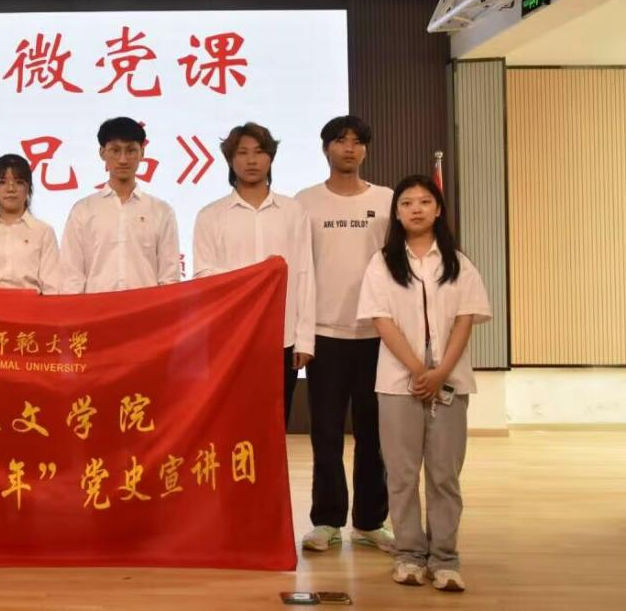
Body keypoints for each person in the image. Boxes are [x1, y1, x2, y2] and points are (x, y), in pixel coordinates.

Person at [356, 175, 491, 593]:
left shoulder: (458, 263)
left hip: (450, 381)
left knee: (444, 475)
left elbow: (466, 320)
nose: (416, 209)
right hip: (398, 383)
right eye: (407, 203)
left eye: (425, 201)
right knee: (401, 474)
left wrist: (440, 372)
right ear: (396, 213)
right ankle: (410, 555)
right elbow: (382, 321)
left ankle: (446, 559)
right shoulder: (382, 263)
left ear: (438, 209)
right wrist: (419, 370)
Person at [295, 116, 394, 553]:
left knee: (374, 435)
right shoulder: (305, 202)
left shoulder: (387, 200)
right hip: (324, 333)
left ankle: (371, 522)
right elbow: (300, 270)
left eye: (357, 142)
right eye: (340, 141)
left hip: (377, 334)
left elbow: (398, 267)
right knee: (327, 434)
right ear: (325, 149)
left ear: (366, 150)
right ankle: (327, 520)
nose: (349, 148)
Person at [193, 122, 314, 425]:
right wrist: (257, 277)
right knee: (231, 422)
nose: (251, 160)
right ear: (230, 159)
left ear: (270, 157)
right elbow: (204, 276)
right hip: (230, 338)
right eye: (242, 152)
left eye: (259, 152)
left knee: (274, 424)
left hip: (282, 336)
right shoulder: (210, 215)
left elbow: (304, 275)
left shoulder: (293, 211)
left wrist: (304, 340)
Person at [59, 117, 180, 294]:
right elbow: (71, 277)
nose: (123, 159)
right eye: (115, 150)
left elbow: (169, 277)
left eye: (131, 150)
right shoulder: (83, 210)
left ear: (142, 153)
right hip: (97, 309)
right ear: (102, 153)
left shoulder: (161, 211)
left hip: (146, 309)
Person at [0, 154, 59, 294]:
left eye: (18, 182)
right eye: (2, 182)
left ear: (28, 188)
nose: (10, 189)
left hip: (31, 307)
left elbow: (52, 288)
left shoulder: (44, 232)